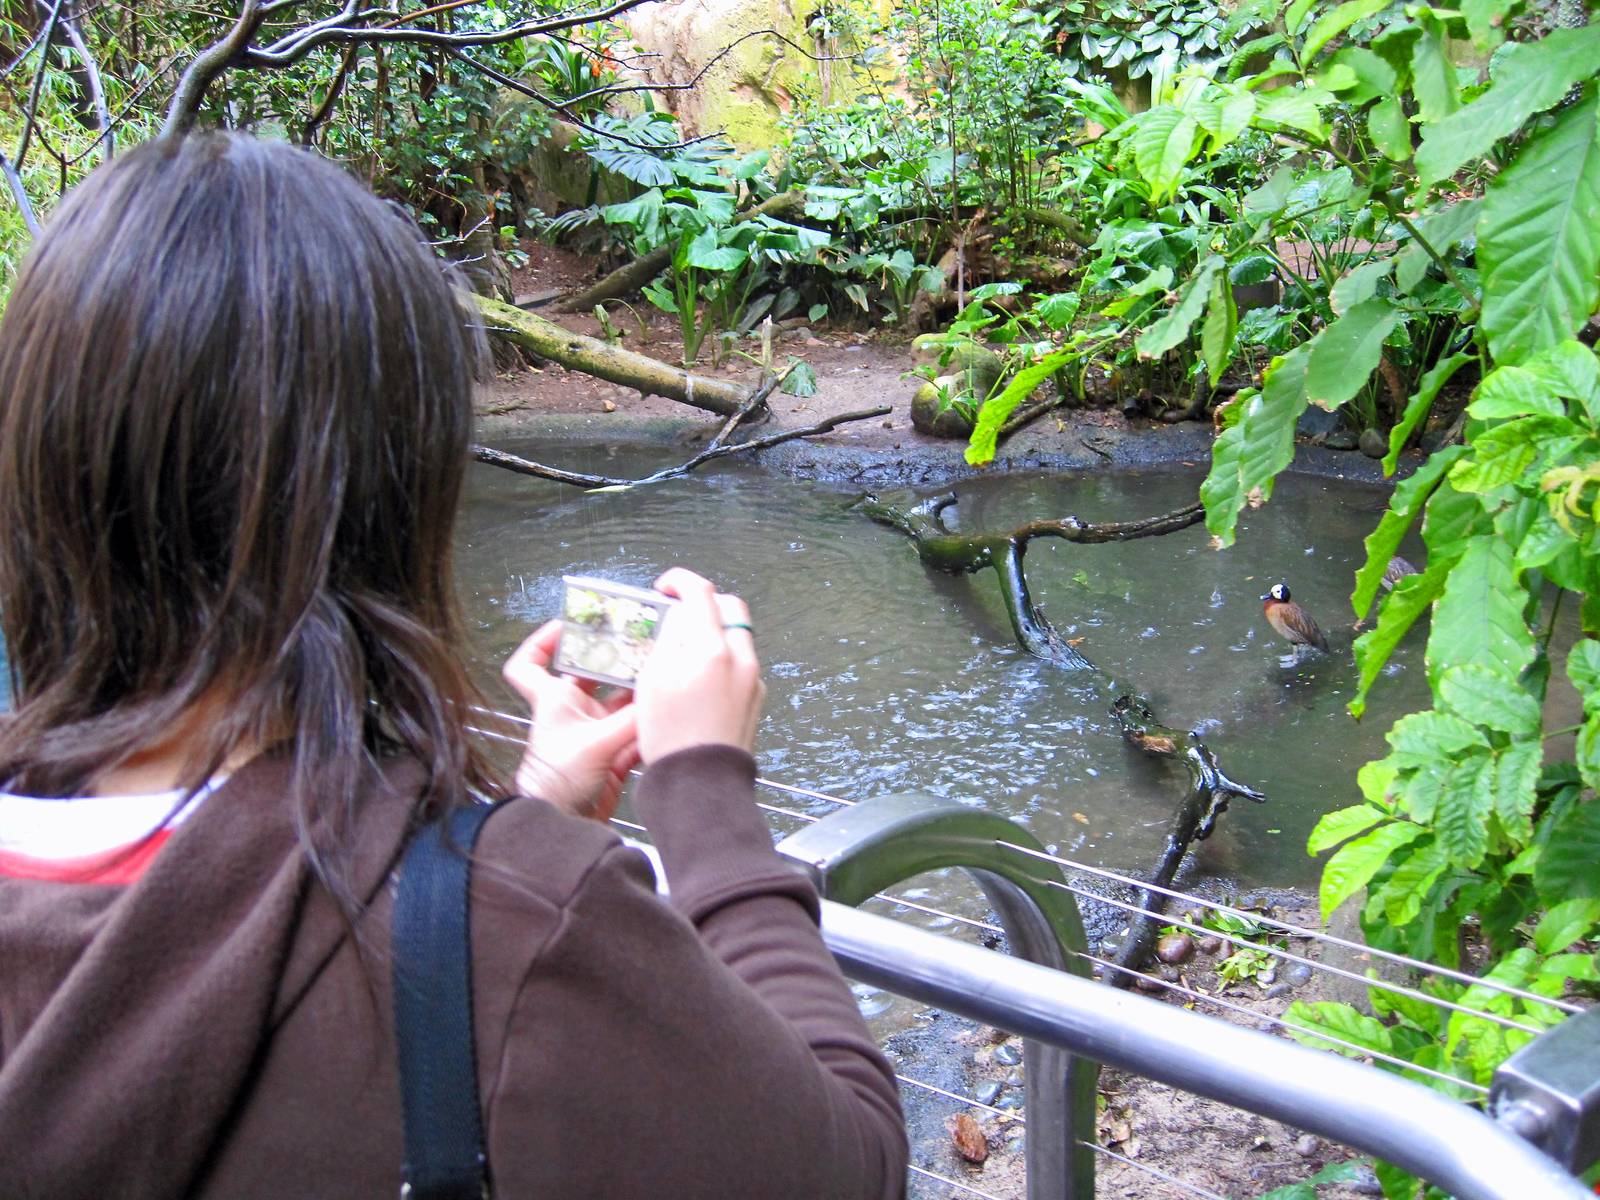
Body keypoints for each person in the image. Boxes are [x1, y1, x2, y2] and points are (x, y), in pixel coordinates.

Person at [0, 132, 908, 1198]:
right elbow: (853, 1168)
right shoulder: (524, 924)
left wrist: (536, 814)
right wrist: (702, 785)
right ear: (394, 494)